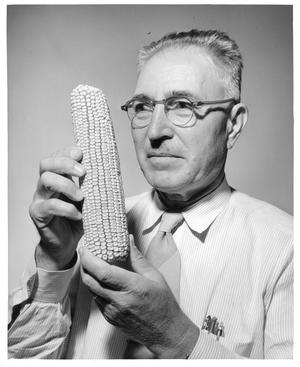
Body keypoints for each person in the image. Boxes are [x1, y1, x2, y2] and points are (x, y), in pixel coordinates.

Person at [8, 29, 293, 359]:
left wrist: (177, 338)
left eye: (183, 105)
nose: (155, 132)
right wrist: (54, 262)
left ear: (232, 124)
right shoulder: (77, 230)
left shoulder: (286, 250)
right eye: (142, 106)